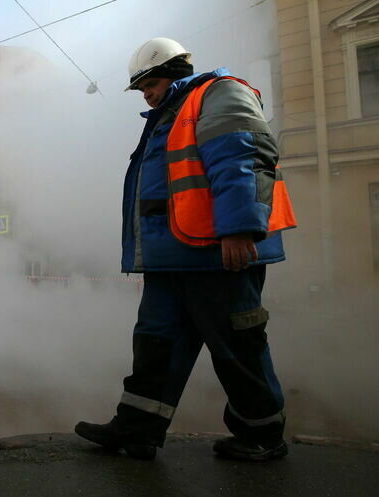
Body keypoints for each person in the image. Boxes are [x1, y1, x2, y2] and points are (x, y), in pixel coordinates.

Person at [75, 37, 297, 461]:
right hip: (174, 255)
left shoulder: (218, 92)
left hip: (218, 253)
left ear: (171, 72)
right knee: (155, 342)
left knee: (237, 346)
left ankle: (261, 435)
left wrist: (239, 228)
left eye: (148, 84)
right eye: (141, 88)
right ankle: (137, 430)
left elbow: (245, 156)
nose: (145, 94)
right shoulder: (170, 114)